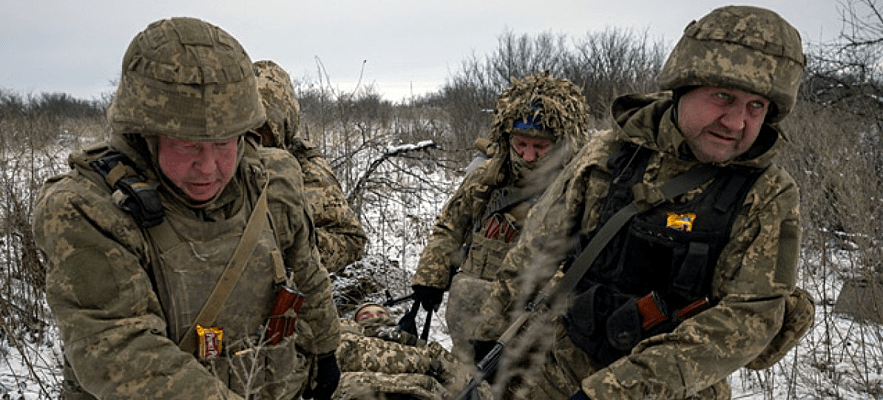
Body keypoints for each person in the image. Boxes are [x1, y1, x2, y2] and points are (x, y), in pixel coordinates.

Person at [472, 6, 809, 399]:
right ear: (685, 85)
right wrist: (492, 331)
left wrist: (617, 390)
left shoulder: (768, 195)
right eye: (723, 96)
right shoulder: (609, 153)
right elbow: (537, 249)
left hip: (669, 390)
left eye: (757, 106)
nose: (736, 122)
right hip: (555, 369)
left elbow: (748, 320)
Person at [32, 17, 341, 400]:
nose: (209, 168)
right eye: (186, 145)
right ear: (144, 135)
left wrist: (327, 348)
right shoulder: (87, 209)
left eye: (225, 143)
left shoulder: (271, 176)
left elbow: (307, 273)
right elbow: (122, 353)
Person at [411, 71, 592, 359]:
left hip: (531, 330)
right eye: (521, 145)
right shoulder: (486, 177)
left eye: (540, 147)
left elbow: (583, 264)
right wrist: (430, 276)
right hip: (468, 320)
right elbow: (451, 226)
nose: (528, 156)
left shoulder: (580, 189)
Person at [253, 59, 368, 272]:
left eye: (262, 129)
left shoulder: (307, 173)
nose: (252, 139)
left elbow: (352, 242)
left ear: (282, 125)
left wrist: (294, 245)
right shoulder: (218, 162)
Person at [330, 303, 493, 400]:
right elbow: (348, 354)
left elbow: (476, 387)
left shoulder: (420, 346)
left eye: (381, 313)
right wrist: (426, 362)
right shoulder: (343, 332)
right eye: (365, 315)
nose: (375, 316)